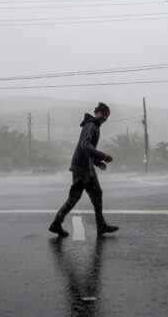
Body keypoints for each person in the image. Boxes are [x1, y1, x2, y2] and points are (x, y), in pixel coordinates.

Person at [49, 102, 119, 238]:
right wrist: (103, 156)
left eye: (107, 116)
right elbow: (85, 146)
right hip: (83, 168)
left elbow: (87, 150)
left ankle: (57, 224)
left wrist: (98, 163)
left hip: (84, 166)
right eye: (104, 114)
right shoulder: (91, 125)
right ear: (97, 112)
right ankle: (100, 225)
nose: (105, 118)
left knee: (81, 197)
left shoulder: (94, 126)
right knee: (89, 195)